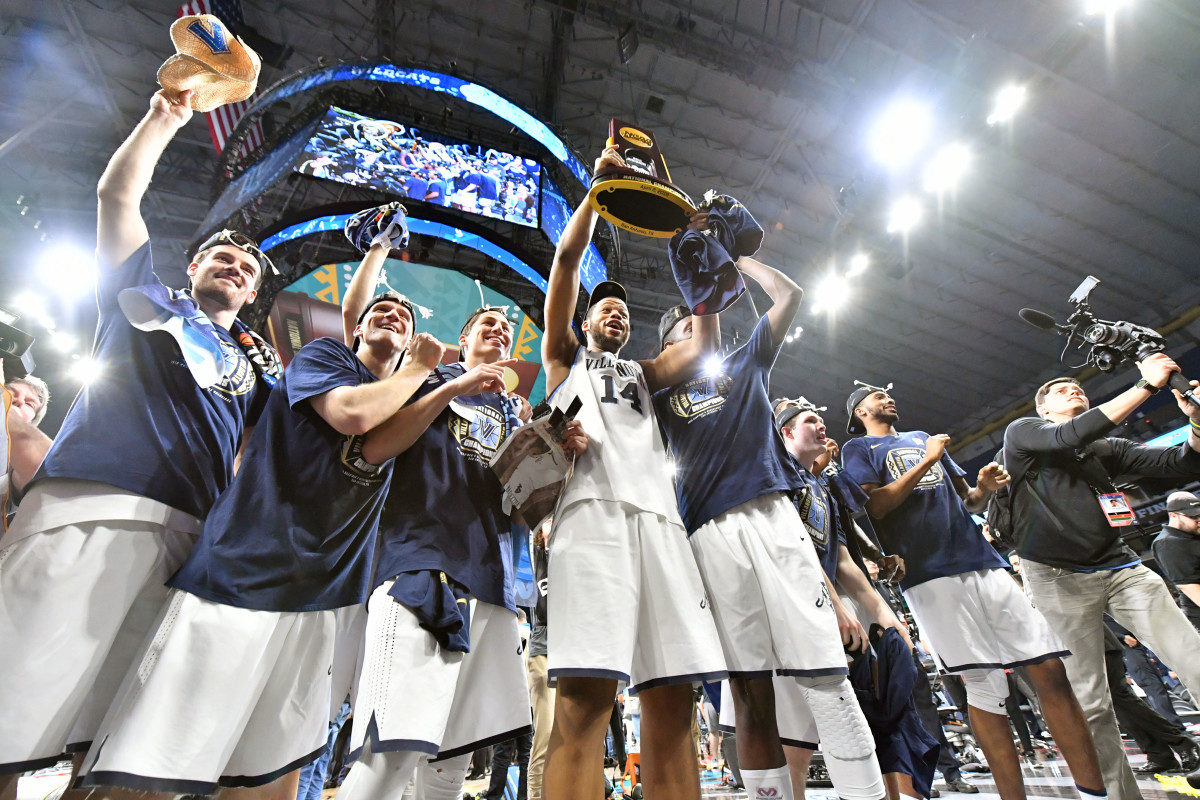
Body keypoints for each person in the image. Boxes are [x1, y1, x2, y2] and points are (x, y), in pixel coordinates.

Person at [0, 88, 278, 793]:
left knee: (117, 748)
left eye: (248, 270)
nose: (236, 266)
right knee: (10, 705)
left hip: (185, 542)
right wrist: (165, 117)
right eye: (222, 256)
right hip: (87, 505)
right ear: (192, 267)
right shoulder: (139, 298)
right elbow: (116, 198)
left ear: (252, 297)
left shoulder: (256, 370)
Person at [76, 276, 442, 796]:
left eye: (404, 318)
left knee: (271, 765)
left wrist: (441, 386)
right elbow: (353, 414)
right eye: (380, 310)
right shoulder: (324, 359)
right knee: (160, 754)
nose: (394, 316)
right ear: (354, 328)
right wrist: (422, 367)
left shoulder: (411, 404)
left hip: (325, 592)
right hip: (246, 570)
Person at [337, 294, 586, 799]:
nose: (499, 330)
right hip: (418, 564)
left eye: (506, 327)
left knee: (451, 765)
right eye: (487, 324)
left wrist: (558, 463)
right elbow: (374, 444)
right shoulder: (422, 378)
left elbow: (519, 512)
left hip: (491, 584)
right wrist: (453, 381)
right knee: (391, 752)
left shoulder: (513, 414)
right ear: (464, 339)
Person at [654, 265, 884, 800]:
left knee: (826, 675)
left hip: (773, 521)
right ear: (665, 349)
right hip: (707, 535)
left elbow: (791, 293)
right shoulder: (659, 398)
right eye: (682, 332)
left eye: (699, 326)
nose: (696, 335)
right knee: (751, 692)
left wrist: (736, 259)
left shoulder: (745, 361)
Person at [539, 146, 727, 800]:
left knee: (672, 702)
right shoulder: (565, 362)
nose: (614, 311)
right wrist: (598, 190)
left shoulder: (644, 375)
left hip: (662, 527)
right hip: (592, 518)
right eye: (603, 307)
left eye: (622, 308)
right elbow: (566, 263)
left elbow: (703, 345)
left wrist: (704, 258)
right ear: (586, 322)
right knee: (585, 703)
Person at [843, 383, 1106, 800]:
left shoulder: (922, 437)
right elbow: (875, 508)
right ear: (860, 412)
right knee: (984, 685)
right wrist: (927, 461)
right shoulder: (858, 451)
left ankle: (1094, 792)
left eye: (889, 393)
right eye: (877, 396)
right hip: (928, 574)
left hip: (982, 561)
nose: (888, 397)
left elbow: (967, 501)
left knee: (1050, 670)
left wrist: (983, 487)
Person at [1003, 358, 1200, 800]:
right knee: (1092, 701)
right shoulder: (1025, 433)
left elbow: (1181, 464)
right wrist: (1146, 386)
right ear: (1044, 408)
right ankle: (1119, 795)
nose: (1075, 390)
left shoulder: (1103, 449)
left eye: (1078, 387)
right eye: (1061, 390)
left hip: (1120, 567)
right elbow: (1066, 436)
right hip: (1056, 578)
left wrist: (1197, 423)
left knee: (1194, 656)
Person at [776, 400, 928, 798]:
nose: (822, 427)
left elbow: (841, 557)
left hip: (831, 607)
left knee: (878, 714)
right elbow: (793, 548)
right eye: (811, 421)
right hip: (792, 610)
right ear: (786, 433)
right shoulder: (777, 476)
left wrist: (883, 611)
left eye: (823, 420)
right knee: (796, 731)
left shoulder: (823, 486)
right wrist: (837, 606)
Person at [1151, 491, 1200, 634]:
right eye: (1193, 516)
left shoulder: (1194, 534)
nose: (1199, 519)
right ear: (1173, 515)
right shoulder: (1168, 543)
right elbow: (1189, 586)